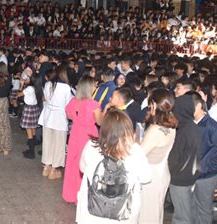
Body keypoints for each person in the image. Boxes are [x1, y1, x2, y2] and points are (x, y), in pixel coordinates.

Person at [76, 110, 152, 223]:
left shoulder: (91, 146)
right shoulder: (135, 151)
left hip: (92, 212)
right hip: (123, 213)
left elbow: (82, 168)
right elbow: (147, 178)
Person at [187, 91, 217, 224]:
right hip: (193, 174)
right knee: (193, 208)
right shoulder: (190, 123)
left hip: (207, 177)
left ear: (197, 106)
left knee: (203, 211)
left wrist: (206, 167)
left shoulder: (211, 126)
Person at [139, 88, 178, 223]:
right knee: (156, 211)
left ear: (154, 105)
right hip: (162, 171)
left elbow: (139, 154)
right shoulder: (171, 126)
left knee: (147, 213)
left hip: (150, 175)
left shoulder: (155, 129)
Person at [62, 76, 101, 204]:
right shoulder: (93, 104)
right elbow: (100, 122)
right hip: (89, 135)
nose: (96, 87)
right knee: (87, 164)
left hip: (75, 133)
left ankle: (71, 194)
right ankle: (83, 197)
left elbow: (68, 114)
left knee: (73, 163)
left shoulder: (73, 101)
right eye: (94, 85)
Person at [168, 94, 202, 224]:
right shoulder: (193, 127)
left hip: (180, 179)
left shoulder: (183, 131)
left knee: (181, 217)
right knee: (188, 211)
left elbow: (175, 158)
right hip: (190, 176)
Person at [38, 65, 73, 180]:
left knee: (48, 142)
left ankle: (46, 167)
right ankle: (54, 170)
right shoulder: (66, 88)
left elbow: (46, 99)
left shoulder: (48, 84)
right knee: (59, 145)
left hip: (48, 116)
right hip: (59, 118)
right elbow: (68, 105)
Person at [18, 73, 43, 159]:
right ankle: (31, 148)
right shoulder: (39, 88)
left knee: (29, 131)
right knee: (33, 130)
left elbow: (18, 94)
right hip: (35, 109)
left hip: (29, 109)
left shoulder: (29, 88)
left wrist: (21, 85)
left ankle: (31, 152)